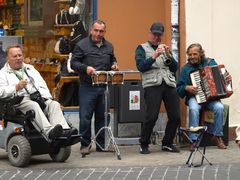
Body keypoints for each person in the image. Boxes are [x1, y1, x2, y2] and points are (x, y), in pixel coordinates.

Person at [0, 45, 77, 140]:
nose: (18, 58)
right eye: (15, 56)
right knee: (33, 105)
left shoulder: (30, 68)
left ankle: (64, 132)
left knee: (54, 104)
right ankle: (49, 132)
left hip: (36, 97)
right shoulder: (2, 73)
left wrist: (47, 98)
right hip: (18, 101)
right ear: (8, 58)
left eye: (20, 55)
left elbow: (42, 84)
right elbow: (1, 92)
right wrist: (16, 88)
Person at [71, 20, 118, 156]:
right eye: (96, 30)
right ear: (91, 30)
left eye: (101, 31)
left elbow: (113, 60)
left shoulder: (109, 46)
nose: (98, 34)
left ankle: (101, 145)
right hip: (87, 87)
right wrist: (86, 68)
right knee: (85, 117)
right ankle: (85, 145)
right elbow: (73, 63)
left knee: (103, 117)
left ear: (104, 32)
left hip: (104, 87)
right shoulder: (81, 45)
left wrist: (114, 65)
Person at [135, 22, 181, 154]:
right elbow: (141, 66)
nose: (156, 37)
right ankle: (144, 143)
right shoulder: (141, 48)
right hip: (152, 84)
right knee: (152, 116)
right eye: (154, 34)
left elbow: (174, 68)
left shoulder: (166, 48)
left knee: (175, 116)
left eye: (159, 35)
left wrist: (168, 55)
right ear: (149, 33)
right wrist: (154, 55)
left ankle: (167, 142)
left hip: (169, 83)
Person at [176, 43, 231, 149]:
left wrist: (227, 78)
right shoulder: (186, 69)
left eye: (194, 54)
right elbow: (179, 88)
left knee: (219, 108)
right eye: (190, 54)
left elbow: (223, 76)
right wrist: (187, 88)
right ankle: (194, 140)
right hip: (195, 97)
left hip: (211, 98)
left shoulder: (210, 62)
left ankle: (217, 136)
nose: (192, 57)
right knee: (193, 109)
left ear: (200, 54)